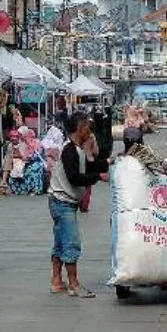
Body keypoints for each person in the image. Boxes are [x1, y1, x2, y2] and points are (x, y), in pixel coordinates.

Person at [48, 111, 110, 298]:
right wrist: (98, 177)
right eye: (87, 128)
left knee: (60, 241)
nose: (90, 132)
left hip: (61, 201)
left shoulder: (76, 150)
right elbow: (75, 177)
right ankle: (73, 283)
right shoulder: (69, 151)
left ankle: (57, 281)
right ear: (80, 128)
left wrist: (107, 163)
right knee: (71, 242)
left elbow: (88, 166)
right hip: (62, 202)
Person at [7, 127, 46, 196]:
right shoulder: (27, 145)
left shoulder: (37, 144)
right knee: (17, 170)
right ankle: (20, 190)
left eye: (26, 137)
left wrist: (28, 158)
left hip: (37, 163)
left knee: (32, 170)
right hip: (27, 162)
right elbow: (24, 155)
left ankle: (36, 189)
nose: (25, 139)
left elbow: (37, 155)